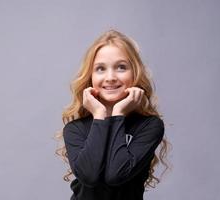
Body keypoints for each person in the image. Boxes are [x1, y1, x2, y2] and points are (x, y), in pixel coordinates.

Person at [56, 30, 170, 200]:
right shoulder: (75, 129)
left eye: (121, 67)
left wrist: (118, 114)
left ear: (135, 73)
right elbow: (90, 176)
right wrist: (100, 114)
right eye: (100, 69)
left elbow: (116, 174)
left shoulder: (149, 126)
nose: (110, 77)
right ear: (90, 77)